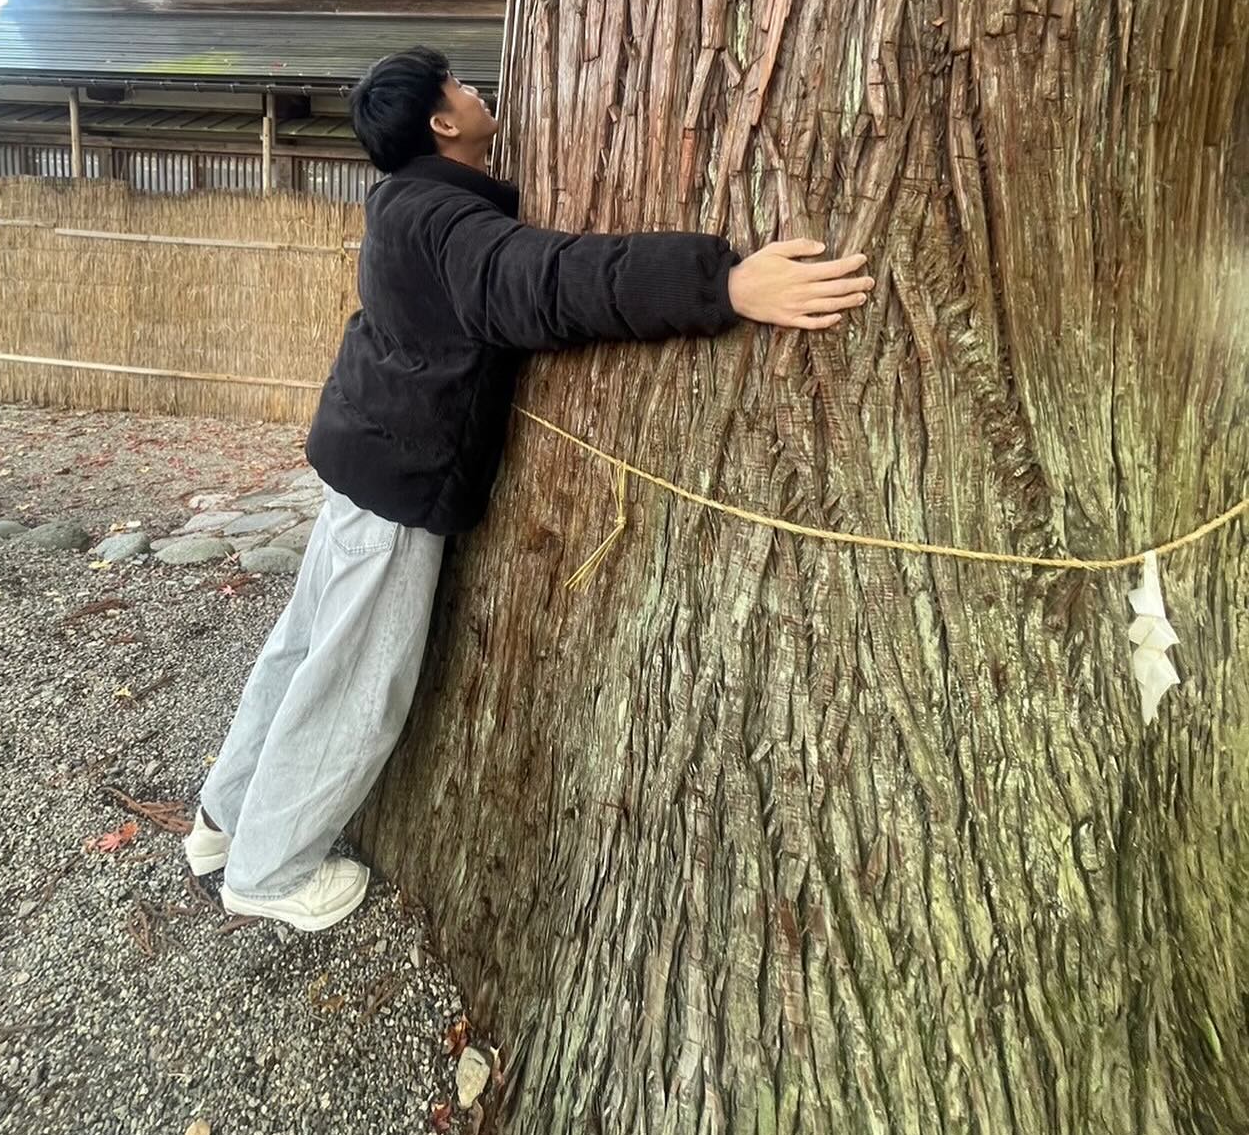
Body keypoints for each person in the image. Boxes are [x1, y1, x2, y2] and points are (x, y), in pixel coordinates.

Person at [185, 46, 875, 929]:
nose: (479, 94)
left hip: (361, 461)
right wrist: (725, 282)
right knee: (353, 684)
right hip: (397, 483)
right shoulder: (444, 220)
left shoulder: (402, 203)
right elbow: (549, 282)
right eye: (461, 89)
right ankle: (269, 871)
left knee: (298, 653)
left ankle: (223, 820)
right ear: (442, 124)